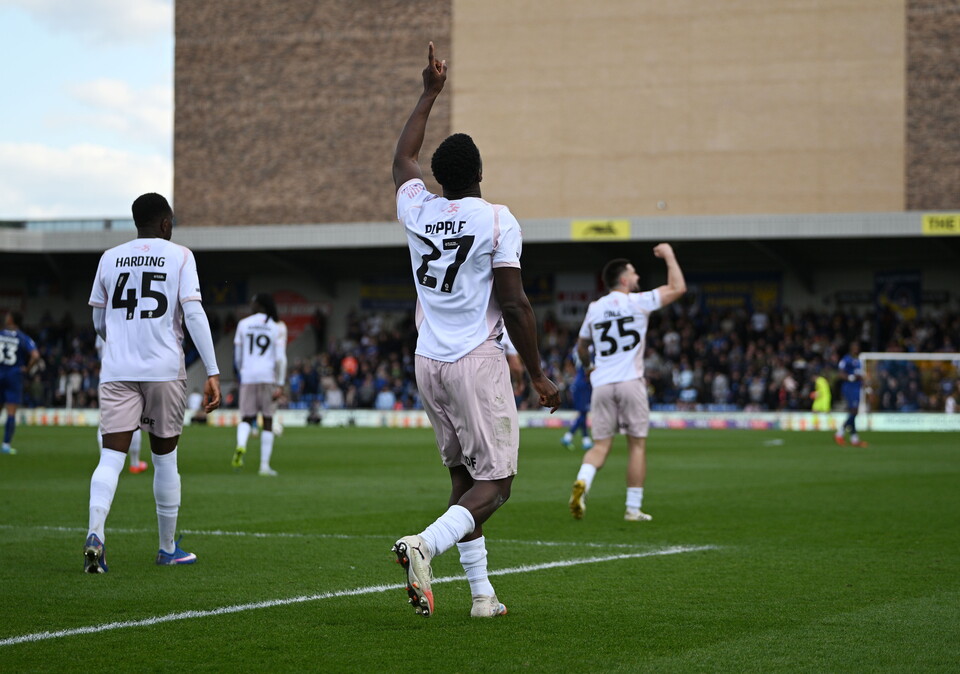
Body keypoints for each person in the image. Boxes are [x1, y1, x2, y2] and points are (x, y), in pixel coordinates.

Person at [390, 42, 561, 619]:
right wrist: (538, 373)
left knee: (464, 481)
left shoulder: (417, 209)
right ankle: (424, 545)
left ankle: (482, 595)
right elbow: (514, 304)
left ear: (438, 176)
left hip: (427, 361)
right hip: (473, 359)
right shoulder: (496, 219)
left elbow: (401, 159)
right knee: (498, 485)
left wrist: (429, 93)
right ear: (481, 173)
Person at [84, 192, 221, 573]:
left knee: (110, 457)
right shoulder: (180, 256)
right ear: (165, 224)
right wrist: (212, 371)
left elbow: (99, 322)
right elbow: (193, 314)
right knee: (165, 459)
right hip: (163, 369)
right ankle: (166, 548)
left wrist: (122, 345)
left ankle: (96, 532)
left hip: (117, 370)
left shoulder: (109, 258)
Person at [569, 247, 686, 522]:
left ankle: (582, 483)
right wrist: (669, 255)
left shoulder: (595, 308)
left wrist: (588, 368)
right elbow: (678, 288)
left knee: (600, 446)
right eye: (633, 272)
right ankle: (633, 508)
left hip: (603, 384)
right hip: (630, 382)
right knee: (636, 446)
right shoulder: (638, 301)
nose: (637, 276)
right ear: (623, 280)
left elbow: (581, 346)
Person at [232, 293, 287, 476]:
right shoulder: (276, 327)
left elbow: (238, 356)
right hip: (268, 376)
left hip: (248, 375)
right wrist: (280, 383)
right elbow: (280, 359)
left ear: (259, 305)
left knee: (247, 417)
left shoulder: (243, 324)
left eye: (253, 302)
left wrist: (241, 372)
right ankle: (264, 466)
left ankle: (241, 445)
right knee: (268, 420)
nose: (251, 304)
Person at [96, 335, 147, 472]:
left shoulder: (106, 318)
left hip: (107, 375)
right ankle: (135, 463)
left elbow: (98, 347)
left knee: (105, 420)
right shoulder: (132, 319)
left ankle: (105, 464)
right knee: (135, 420)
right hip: (130, 374)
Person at [0, 311, 40, 455]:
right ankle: (5, 445)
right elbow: (35, 355)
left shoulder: (1, 334)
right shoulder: (23, 338)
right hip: (14, 375)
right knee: (11, 413)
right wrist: (27, 368)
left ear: (11, 319)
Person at [835, 341, 868, 447]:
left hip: (857, 388)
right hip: (849, 388)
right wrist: (851, 377)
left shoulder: (859, 361)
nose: (856, 349)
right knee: (854, 411)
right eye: (854, 347)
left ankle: (854, 439)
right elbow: (840, 373)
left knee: (854, 412)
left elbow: (861, 376)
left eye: (857, 347)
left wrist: (867, 387)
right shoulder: (846, 359)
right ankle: (839, 433)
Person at [561, 346, 594, 451]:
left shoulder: (576, 348)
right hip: (584, 384)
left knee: (582, 413)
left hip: (578, 382)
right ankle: (568, 436)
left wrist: (574, 375)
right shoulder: (591, 349)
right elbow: (591, 368)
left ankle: (586, 440)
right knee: (583, 413)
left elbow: (568, 361)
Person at [810, 365, 833, 432]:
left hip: (824, 397)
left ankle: (831, 425)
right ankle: (815, 425)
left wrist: (816, 394)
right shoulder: (821, 380)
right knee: (814, 410)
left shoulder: (819, 381)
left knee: (827, 411)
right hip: (820, 398)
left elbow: (823, 390)